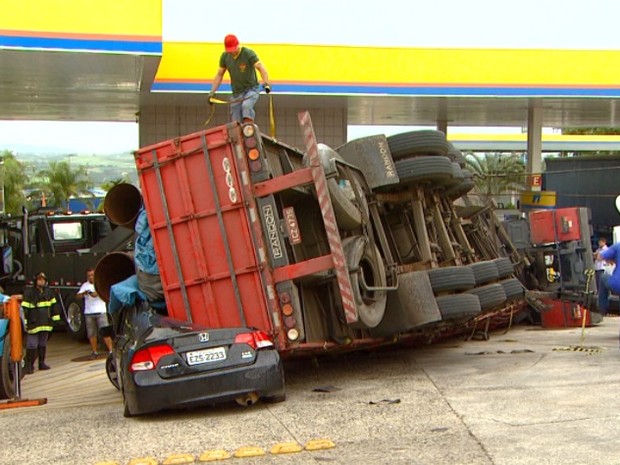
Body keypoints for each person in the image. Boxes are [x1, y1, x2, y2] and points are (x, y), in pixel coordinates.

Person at [208, 34, 271, 123]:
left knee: (246, 106)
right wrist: (212, 92)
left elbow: (261, 68)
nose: (232, 52)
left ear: (238, 45)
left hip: (251, 89)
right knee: (235, 118)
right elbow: (219, 75)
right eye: (230, 50)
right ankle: (238, 135)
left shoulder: (248, 53)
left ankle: (248, 130)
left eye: (233, 49)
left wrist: (266, 83)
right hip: (236, 93)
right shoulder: (225, 56)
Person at [21, 272, 60, 374]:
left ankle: (41, 363)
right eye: (39, 279)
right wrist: (24, 322)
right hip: (33, 324)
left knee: (42, 344)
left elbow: (54, 307)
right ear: (35, 281)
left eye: (43, 279)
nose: (41, 281)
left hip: (45, 323)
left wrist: (55, 320)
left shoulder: (49, 292)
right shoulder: (29, 293)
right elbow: (25, 309)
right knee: (32, 345)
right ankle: (29, 366)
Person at [77, 268, 112, 359]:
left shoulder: (100, 283)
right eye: (88, 275)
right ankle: (94, 352)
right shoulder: (85, 285)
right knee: (92, 334)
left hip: (101, 312)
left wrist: (91, 292)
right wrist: (84, 293)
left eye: (92, 275)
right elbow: (77, 296)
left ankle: (111, 351)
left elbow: (96, 294)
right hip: (89, 313)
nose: (90, 277)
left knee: (105, 332)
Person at [596, 241, 620, 314]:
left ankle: (602, 310)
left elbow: (600, 257)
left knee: (603, 277)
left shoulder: (617, 246)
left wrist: (612, 259)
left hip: (617, 284)